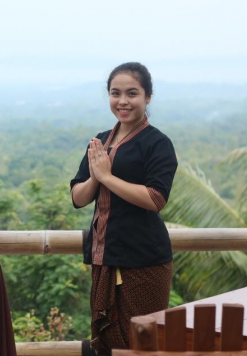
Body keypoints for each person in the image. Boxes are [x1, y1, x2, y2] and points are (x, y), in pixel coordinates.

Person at [70, 62, 178, 355]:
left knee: (142, 342)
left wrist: (107, 176)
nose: (123, 101)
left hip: (145, 260)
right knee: (107, 341)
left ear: (148, 97)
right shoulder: (100, 140)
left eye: (132, 93)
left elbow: (156, 198)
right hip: (104, 256)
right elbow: (78, 198)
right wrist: (96, 175)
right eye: (115, 93)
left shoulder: (157, 143)